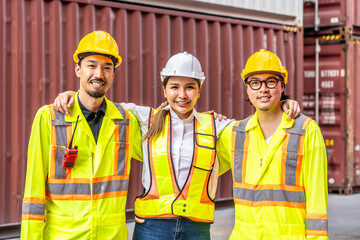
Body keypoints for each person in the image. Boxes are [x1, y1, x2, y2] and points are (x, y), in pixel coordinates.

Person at [53, 52, 301, 240]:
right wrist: (70, 96)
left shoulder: (217, 126)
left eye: (189, 87)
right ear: (164, 90)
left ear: (199, 90)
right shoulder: (143, 119)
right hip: (151, 228)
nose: (182, 95)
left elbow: (257, 124)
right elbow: (100, 105)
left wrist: (284, 105)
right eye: (174, 87)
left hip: (197, 229)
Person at [21, 30, 143, 239]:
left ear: (114, 74)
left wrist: (206, 121)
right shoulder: (49, 117)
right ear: (78, 69)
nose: (99, 74)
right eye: (91, 65)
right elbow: (34, 193)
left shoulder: (126, 121)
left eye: (107, 67)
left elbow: (164, 144)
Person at [217, 49, 328, 239]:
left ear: (282, 85)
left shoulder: (307, 131)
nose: (263, 89)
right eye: (255, 83)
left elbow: (317, 201)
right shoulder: (234, 133)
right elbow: (196, 168)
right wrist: (211, 123)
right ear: (247, 88)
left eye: (271, 81)